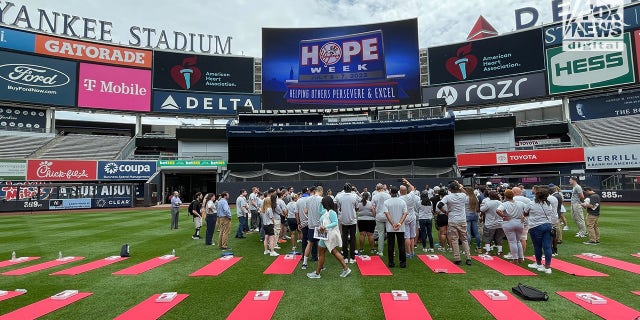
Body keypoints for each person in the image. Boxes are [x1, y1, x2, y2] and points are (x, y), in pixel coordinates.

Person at [307, 196, 351, 279]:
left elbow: (335, 222)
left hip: (328, 236)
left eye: (323, 202)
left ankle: (317, 273)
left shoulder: (331, 212)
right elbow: (319, 210)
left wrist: (325, 226)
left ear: (325, 203)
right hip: (325, 236)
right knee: (331, 252)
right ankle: (345, 269)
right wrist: (320, 202)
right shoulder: (326, 211)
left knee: (325, 253)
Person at [438, 182, 472, 266]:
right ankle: (468, 258)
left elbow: (439, 205)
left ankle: (457, 259)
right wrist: (461, 187)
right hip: (462, 220)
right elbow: (467, 194)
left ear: (450, 189)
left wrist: (445, 212)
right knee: (464, 239)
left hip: (453, 220)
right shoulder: (463, 196)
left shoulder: (447, 197)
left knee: (454, 239)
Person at [525, 187, 556, 274]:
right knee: (547, 247)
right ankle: (547, 267)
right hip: (547, 225)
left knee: (537, 246)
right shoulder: (548, 204)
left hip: (535, 226)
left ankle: (538, 264)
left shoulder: (531, 203)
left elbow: (525, 213)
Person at [496, 189, 525, 264]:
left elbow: (498, 210)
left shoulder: (504, 204)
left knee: (512, 241)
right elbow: (527, 210)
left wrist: (503, 216)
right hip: (519, 222)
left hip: (509, 222)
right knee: (518, 241)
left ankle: (515, 259)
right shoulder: (520, 203)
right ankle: (521, 258)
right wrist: (524, 216)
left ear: (505, 196)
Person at [383, 185, 409, 268]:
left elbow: (387, 214)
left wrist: (393, 224)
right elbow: (405, 213)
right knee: (401, 245)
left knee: (390, 245)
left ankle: (391, 263)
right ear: (397, 192)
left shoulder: (386, 202)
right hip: (399, 227)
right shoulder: (402, 202)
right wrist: (399, 224)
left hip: (391, 227)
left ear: (390, 192)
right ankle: (403, 263)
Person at [336, 183, 359, 264]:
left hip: (343, 220)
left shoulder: (339, 196)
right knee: (352, 239)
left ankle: (345, 257)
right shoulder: (355, 196)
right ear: (350, 189)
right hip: (352, 220)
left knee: (344, 238)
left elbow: (338, 207)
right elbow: (357, 207)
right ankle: (352, 258)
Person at [302, 186, 323, 270]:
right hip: (319, 225)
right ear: (320, 191)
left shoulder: (308, 199)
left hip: (311, 225)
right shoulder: (321, 199)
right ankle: (320, 264)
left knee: (309, 243)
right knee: (320, 244)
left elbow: (306, 211)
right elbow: (324, 212)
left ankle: (304, 263)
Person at [480, 191, 505, 256]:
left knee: (487, 238)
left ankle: (488, 251)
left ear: (489, 196)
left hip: (490, 224)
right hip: (500, 223)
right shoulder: (500, 202)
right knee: (499, 238)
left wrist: (482, 205)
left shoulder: (488, 203)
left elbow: (482, 209)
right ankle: (500, 251)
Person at [371, 183, 391, 256]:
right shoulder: (388, 195)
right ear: (383, 188)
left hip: (379, 216)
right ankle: (392, 251)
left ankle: (380, 251)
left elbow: (372, 207)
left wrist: (374, 215)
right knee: (390, 234)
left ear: (377, 189)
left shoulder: (375, 196)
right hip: (387, 216)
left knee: (380, 234)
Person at [463, 186, 482, 253]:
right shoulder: (475, 197)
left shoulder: (465, 198)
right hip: (474, 215)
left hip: (467, 215)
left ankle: (467, 249)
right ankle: (478, 247)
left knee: (468, 233)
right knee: (476, 232)